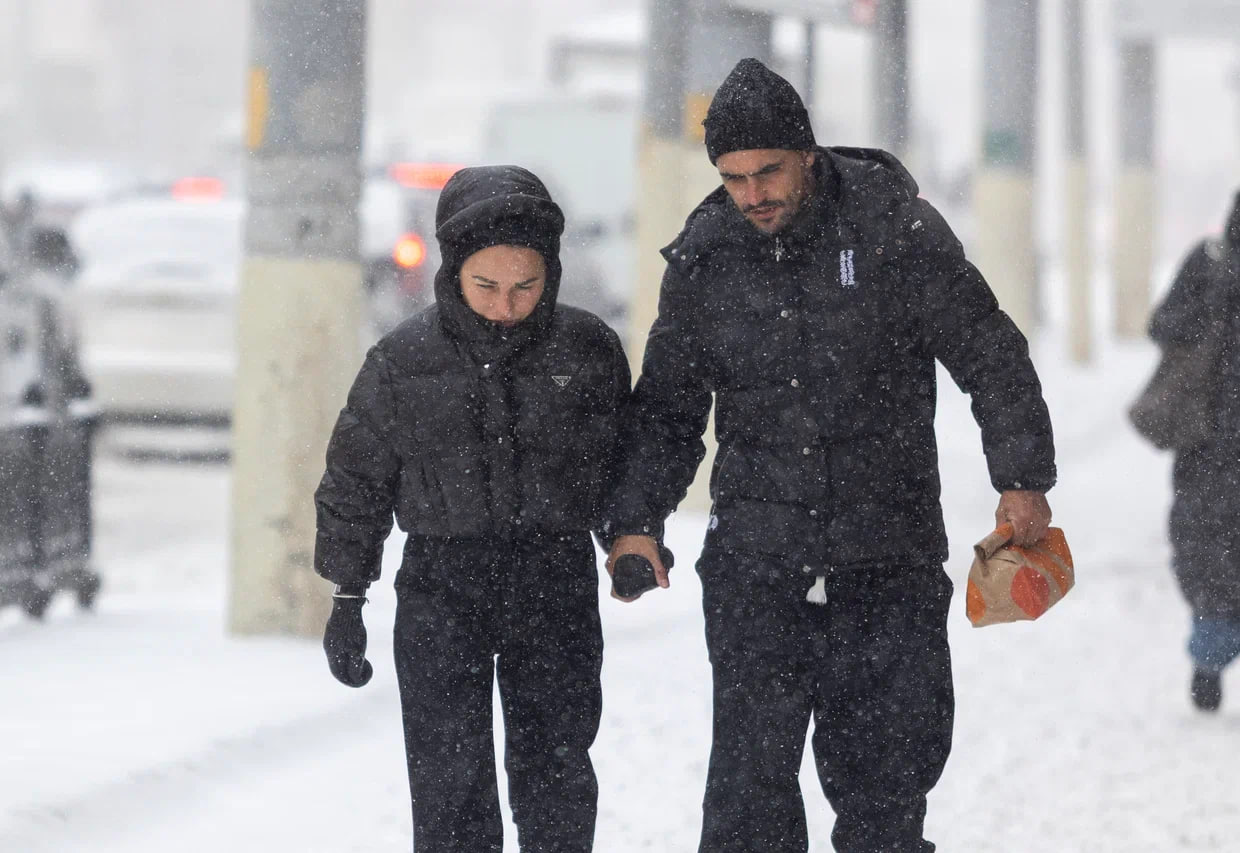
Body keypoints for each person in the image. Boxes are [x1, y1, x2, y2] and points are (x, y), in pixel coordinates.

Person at [603, 58, 1057, 853]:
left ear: (807, 153)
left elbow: (988, 350)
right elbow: (670, 407)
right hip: (757, 571)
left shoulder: (892, 228)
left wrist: (1021, 474)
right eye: (734, 178)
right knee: (748, 811)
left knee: (886, 803)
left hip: (887, 564)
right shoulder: (708, 256)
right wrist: (636, 521)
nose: (753, 195)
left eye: (768, 171)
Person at [313, 165, 630, 852]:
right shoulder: (402, 361)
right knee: (449, 785)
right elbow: (355, 480)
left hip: (555, 584)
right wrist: (346, 593)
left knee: (557, 776)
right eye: (486, 286)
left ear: (552, 274)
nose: (506, 306)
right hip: (441, 588)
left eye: (526, 286)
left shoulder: (588, 351)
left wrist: (633, 536)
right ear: (453, 271)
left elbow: (622, 466)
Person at [1145, 190, 1240, 713]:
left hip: (1208, 441)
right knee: (1211, 549)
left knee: (1208, 552)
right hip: (1210, 441)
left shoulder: (1209, 263)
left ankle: (1209, 659)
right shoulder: (1211, 265)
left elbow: (1162, 325)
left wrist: (1206, 324)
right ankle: (1209, 655)